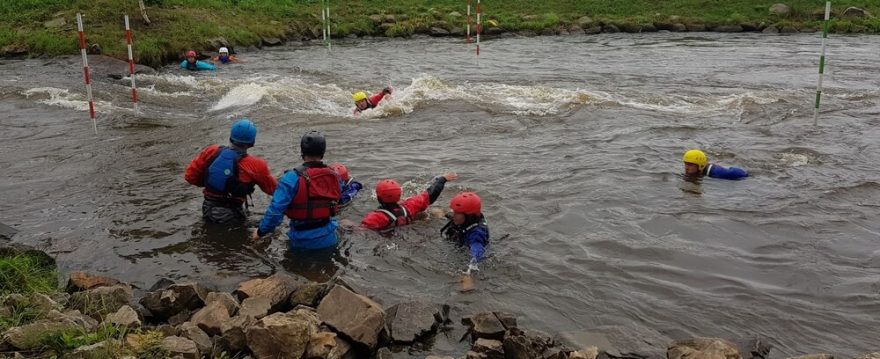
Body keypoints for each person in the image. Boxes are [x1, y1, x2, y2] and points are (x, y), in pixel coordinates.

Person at [252, 131, 342, 249]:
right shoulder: (335, 176)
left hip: (301, 243)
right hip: (329, 239)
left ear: (302, 152)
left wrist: (260, 232)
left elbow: (275, 212)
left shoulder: (290, 178)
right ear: (323, 152)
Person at [184, 119, 277, 224]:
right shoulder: (256, 165)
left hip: (208, 208)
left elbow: (190, 176)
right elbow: (274, 190)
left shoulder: (211, 151)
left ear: (231, 136)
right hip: (233, 214)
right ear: (252, 143)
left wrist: (212, 183)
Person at [359, 172, 458, 232]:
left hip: (388, 237)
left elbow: (361, 231)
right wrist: (442, 179)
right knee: (434, 212)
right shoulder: (410, 205)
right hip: (407, 228)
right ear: (399, 195)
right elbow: (430, 194)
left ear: (378, 197)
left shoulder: (374, 218)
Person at [441, 192, 489, 264]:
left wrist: (469, 272)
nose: (453, 215)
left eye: (456, 213)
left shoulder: (476, 234)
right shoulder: (465, 219)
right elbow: (452, 215)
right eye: (454, 212)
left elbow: (477, 253)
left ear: (468, 215)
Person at [683, 149, 749, 180]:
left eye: (690, 165)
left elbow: (740, 173)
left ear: (701, 165)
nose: (686, 167)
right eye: (686, 164)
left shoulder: (716, 172)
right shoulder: (694, 171)